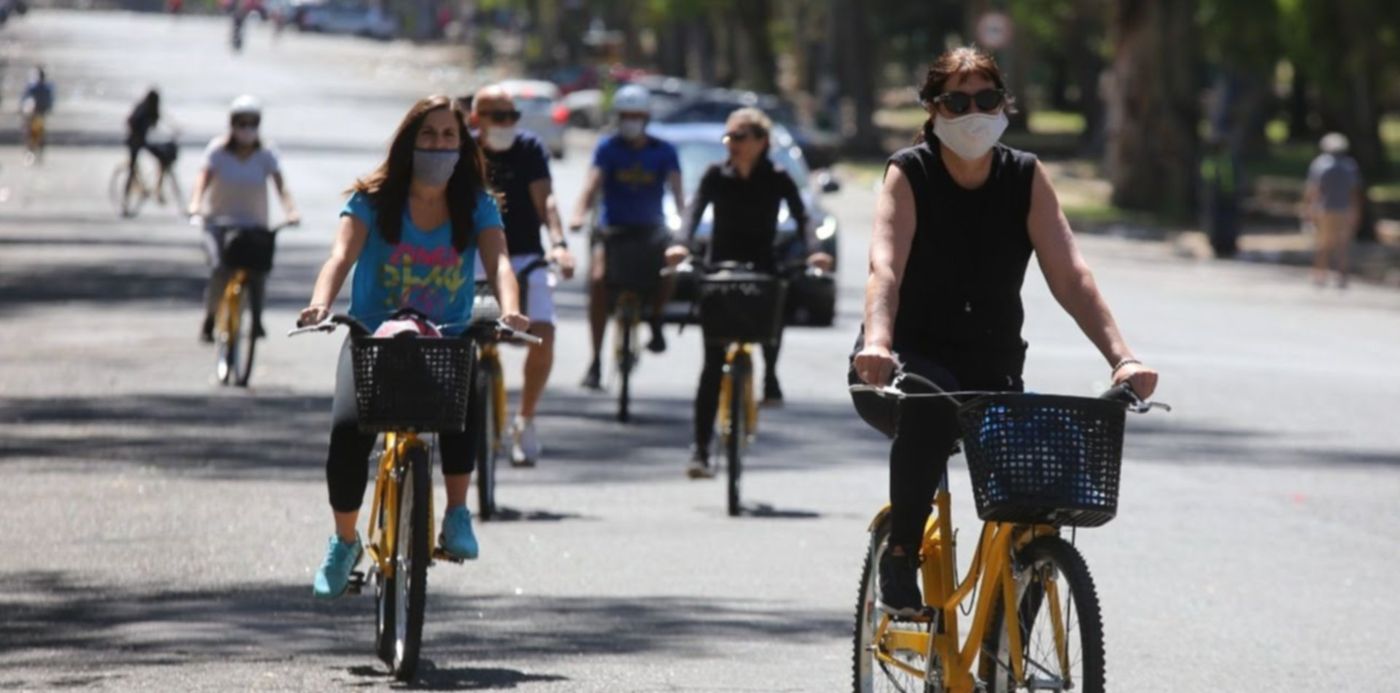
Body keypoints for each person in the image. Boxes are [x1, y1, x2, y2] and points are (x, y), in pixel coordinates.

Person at [849, 47, 1160, 616]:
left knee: (1040, 474)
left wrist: (1123, 358)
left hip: (989, 367)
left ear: (1005, 105)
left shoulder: (1024, 175)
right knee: (930, 406)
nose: (973, 112)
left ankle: (1014, 614)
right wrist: (877, 342)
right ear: (932, 109)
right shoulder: (909, 172)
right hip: (901, 362)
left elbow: (1071, 276)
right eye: (957, 101)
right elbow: (884, 267)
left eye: (986, 98)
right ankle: (900, 553)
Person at [297, 95, 528, 599]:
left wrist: (510, 309)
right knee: (347, 433)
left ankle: (457, 514)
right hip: (374, 338)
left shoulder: (477, 205)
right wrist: (320, 303)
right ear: (408, 141)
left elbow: (501, 264)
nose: (439, 144)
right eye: (428, 134)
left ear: (462, 144)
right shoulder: (372, 199)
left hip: (442, 339)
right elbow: (340, 256)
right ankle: (343, 542)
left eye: (449, 135)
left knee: (463, 406)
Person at [665, 107, 833, 477]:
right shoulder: (715, 175)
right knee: (712, 364)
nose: (732, 144)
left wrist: (815, 251)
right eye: (729, 137)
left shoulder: (777, 176)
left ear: (761, 142)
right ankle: (700, 451)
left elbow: (804, 218)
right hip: (719, 267)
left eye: (740, 137)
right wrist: (680, 243)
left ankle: (771, 374)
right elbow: (692, 212)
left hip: (762, 264)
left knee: (774, 301)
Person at [470, 84, 577, 466]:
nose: (506, 124)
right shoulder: (465, 150)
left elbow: (545, 200)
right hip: (474, 257)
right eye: (497, 116)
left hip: (525, 256)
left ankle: (525, 419)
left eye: (512, 116)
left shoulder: (529, 148)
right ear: (476, 118)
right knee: (460, 334)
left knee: (543, 334)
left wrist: (560, 243)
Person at [568, 84, 684, 390]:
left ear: (646, 117)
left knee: (670, 268)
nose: (631, 121)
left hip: (652, 230)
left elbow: (678, 191)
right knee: (597, 281)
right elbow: (592, 185)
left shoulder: (664, 151)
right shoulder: (608, 148)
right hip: (613, 230)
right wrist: (579, 214)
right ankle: (595, 362)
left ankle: (656, 319)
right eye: (625, 116)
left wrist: (684, 225)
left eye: (636, 115)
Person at [187, 95, 299, 343]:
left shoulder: (266, 153)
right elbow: (202, 179)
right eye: (241, 122)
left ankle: (257, 320)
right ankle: (210, 317)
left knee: (257, 271)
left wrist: (291, 211)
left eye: (252, 123)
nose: (246, 129)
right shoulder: (218, 151)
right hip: (218, 224)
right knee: (220, 269)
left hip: (253, 225)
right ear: (232, 123)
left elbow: (282, 188)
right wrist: (195, 204)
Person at [1304, 132, 1363, 289]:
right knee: (1342, 244)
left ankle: (1319, 274)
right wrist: (1356, 211)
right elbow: (1354, 192)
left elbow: (1313, 189)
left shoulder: (1320, 164)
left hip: (1324, 209)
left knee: (1322, 243)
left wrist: (1309, 209)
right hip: (1344, 209)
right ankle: (1341, 275)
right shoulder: (1350, 165)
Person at [124, 89, 165, 213]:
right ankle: (125, 201)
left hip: (142, 141)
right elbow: (130, 122)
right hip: (134, 142)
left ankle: (158, 189)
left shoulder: (151, 110)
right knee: (131, 170)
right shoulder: (142, 109)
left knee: (162, 158)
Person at [20, 66, 54, 158]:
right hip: (36, 113)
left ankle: (34, 150)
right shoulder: (39, 87)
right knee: (33, 132)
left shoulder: (38, 87)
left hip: (38, 113)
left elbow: (25, 98)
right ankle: (33, 150)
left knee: (36, 132)